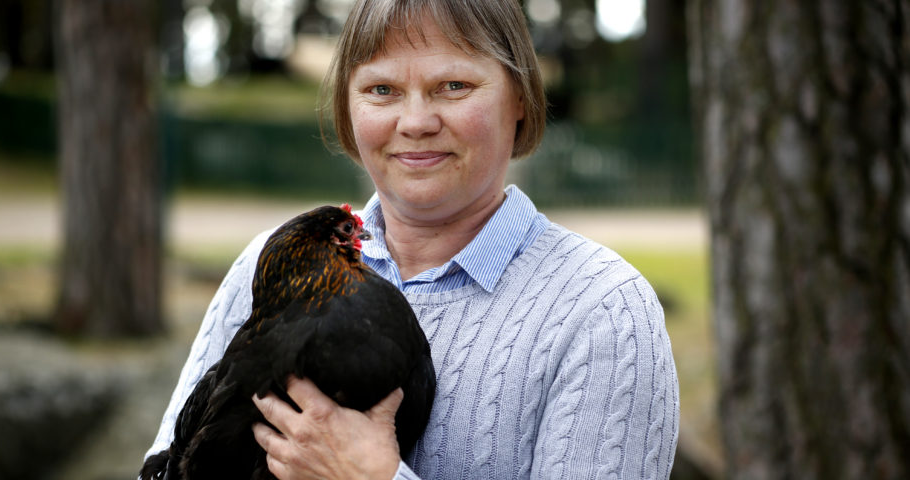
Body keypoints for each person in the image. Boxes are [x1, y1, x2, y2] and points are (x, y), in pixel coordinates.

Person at [146, 0, 680, 478]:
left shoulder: (603, 312)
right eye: (382, 90)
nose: (416, 121)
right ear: (347, 107)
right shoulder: (269, 264)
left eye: (454, 86)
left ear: (520, 98)